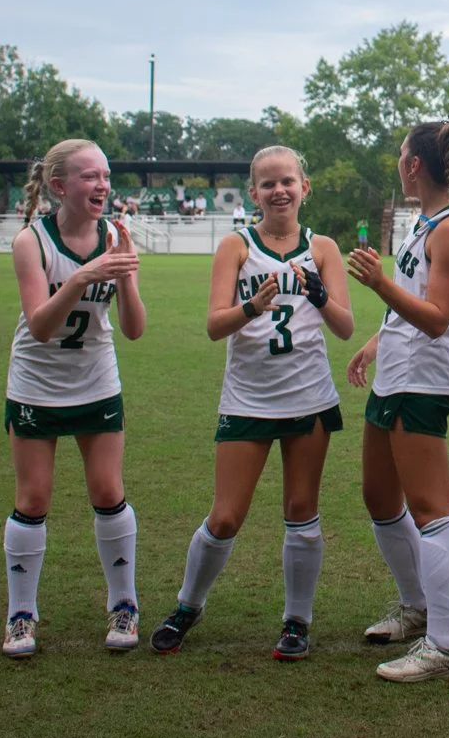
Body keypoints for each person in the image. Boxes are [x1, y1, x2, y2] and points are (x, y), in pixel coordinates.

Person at [151, 147, 355, 662]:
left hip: (308, 399)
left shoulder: (324, 248)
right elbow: (215, 325)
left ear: (305, 187)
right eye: (267, 184)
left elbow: (346, 327)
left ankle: (296, 621)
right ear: (254, 193)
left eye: (288, 181)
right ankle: (187, 606)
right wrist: (252, 306)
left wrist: (320, 296)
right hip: (248, 400)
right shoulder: (236, 246)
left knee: (301, 511)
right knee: (225, 517)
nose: (279, 191)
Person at [0, 138, 147, 658]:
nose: (102, 185)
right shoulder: (30, 243)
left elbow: (133, 330)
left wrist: (125, 274)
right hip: (37, 383)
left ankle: (124, 603)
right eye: (89, 176)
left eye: (105, 176)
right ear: (59, 186)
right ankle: (22, 613)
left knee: (108, 491)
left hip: (96, 380)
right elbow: (40, 325)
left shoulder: (116, 235)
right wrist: (83, 275)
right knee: (33, 498)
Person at [346, 121, 449, 682]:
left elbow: (437, 318)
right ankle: (417, 606)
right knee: (379, 495)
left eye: (401, 155)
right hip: (394, 375)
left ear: (415, 165)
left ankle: (444, 647)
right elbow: (410, 304)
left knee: (431, 508)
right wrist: (375, 344)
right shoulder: (420, 220)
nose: (398, 163)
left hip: (423, 381)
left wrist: (378, 284)